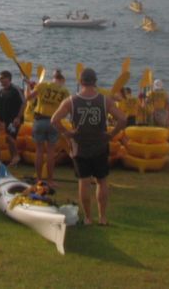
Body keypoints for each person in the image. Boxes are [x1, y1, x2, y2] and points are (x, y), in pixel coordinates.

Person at [51, 67, 127, 226]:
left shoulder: (71, 101)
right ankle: (103, 217)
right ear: (95, 82)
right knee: (102, 181)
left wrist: (67, 133)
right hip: (100, 144)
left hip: (80, 146)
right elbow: (122, 119)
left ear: (80, 81)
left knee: (84, 182)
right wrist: (112, 135)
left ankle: (87, 218)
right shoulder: (105, 100)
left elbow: (54, 120)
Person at [27, 69, 69, 185]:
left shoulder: (43, 85)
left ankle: (39, 179)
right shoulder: (65, 91)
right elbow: (67, 110)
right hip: (54, 122)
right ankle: (50, 180)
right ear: (62, 80)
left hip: (40, 120)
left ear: (53, 78)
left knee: (39, 151)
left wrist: (28, 87)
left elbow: (29, 98)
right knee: (51, 152)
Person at [0, 70, 25, 166]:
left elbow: (23, 103)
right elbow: (0, 107)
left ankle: (16, 156)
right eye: (0, 79)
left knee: (10, 137)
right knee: (8, 139)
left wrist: (18, 117)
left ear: (8, 79)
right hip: (6, 120)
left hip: (15, 120)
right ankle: (13, 159)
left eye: (2, 78)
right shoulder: (1, 91)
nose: (0, 80)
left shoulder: (15, 89)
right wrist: (0, 120)